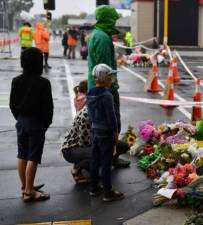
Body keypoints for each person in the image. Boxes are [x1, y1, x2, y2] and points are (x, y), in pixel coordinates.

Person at [9, 47, 53, 202]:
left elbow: (12, 104)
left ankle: (25, 187)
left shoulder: (16, 80)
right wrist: (44, 125)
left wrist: (20, 118)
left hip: (21, 121)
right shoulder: (43, 83)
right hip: (36, 123)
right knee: (33, 156)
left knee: (22, 154)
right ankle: (29, 191)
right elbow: (48, 109)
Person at [61, 105, 131, 184]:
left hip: (93, 142)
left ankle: (110, 161)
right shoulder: (86, 116)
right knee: (99, 154)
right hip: (73, 149)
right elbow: (84, 143)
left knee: (123, 146)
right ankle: (77, 168)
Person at [87, 64, 124, 202]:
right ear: (104, 78)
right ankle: (108, 192)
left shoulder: (90, 92)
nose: (112, 78)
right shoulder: (107, 95)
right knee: (106, 162)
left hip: (95, 130)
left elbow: (90, 115)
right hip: (106, 132)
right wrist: (115, 132)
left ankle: (93, 187)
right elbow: (111, 116)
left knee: (95, 160)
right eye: (110, 76)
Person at [88, 5, 121, 133]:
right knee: (110, 127)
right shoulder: (102, 38)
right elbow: (103, 69)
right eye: (113, 19)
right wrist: (110, 89)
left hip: (97, 87)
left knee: (98, 127)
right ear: (108, 19)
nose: (115, 22)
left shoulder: (98, 34)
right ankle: (110, 152)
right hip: (104, 89)